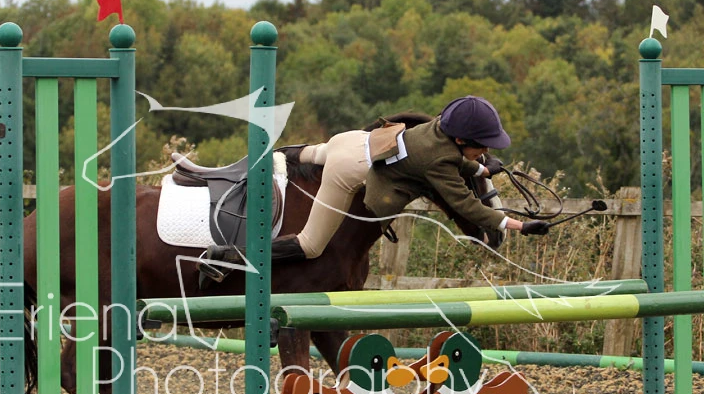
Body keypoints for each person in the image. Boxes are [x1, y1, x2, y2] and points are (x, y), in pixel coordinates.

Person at [203, 95, 550, 269]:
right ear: (460, 139)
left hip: (351, 140)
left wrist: (483, 171)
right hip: (348, 168)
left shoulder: (436, 128)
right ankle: (229, 256)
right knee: (310, 245)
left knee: (306, 154)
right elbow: (468, 207)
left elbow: (457, 160)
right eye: (482, 146)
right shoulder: (439, 161)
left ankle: (269, 157)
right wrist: (520, 225)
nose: (485, 151)